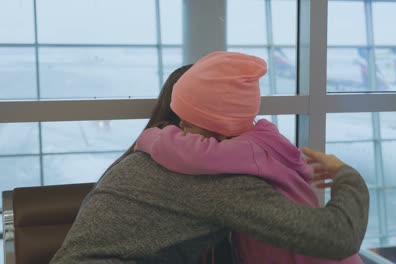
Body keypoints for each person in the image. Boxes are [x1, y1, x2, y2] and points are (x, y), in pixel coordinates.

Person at [50, 61, 369, 264]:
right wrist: (347, 176)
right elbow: (337, 238)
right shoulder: (215, 178)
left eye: (188, 120)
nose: (182, 129)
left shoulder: (146, 155)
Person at [134, 51, 362, 264]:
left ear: (221, 127)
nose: (179, 127)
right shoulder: (262, 141)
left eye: (187, 123)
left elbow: (188, 154)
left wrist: (151, 135)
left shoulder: (246, 149)